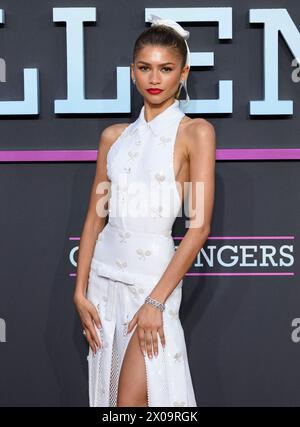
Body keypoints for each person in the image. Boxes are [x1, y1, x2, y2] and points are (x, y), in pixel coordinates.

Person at [73, 15, 216, 407]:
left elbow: (199, 226)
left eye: (166, 69)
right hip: (103, 285)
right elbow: (94, 217)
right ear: (133, 72)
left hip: (152, 285)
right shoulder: (113, 138)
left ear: (183, 72)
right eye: (145, 68)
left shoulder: (195, 132)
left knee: (129, 405)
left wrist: (155, 301)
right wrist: (79, 291)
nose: (155, 78)